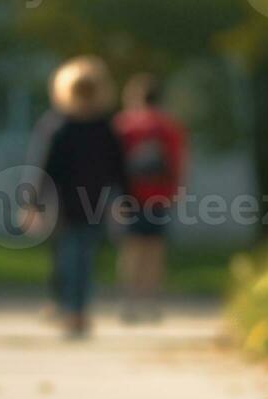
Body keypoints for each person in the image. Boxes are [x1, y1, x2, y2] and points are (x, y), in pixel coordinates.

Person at [28, 55, 126, 339]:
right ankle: (67, 306)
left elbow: (117, 169)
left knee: (84, 260)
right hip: (61, 206)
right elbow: (41, 168)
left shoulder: (106, 129)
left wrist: (122, 200)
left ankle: (77, 310)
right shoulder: (57, 126)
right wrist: (32, 203)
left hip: (94, 205)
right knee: (66, 259)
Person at [113, 73, 187, 323]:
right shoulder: (169, 126)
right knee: (154, 251)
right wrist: (177, 191)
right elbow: (178, 162)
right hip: (159, 196)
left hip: (129, 195)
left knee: (131, 250)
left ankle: (130, 302)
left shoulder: (122, 125)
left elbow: (113, 163)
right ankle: (151, 302)